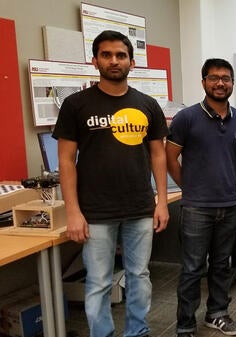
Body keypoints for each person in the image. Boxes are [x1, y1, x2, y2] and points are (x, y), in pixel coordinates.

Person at [53, 30, 169, 337]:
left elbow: (158, 155)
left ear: (131, 61)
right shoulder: (76, 105)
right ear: (95, 61)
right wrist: (73, 212)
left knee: (139, 276)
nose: (114, 61)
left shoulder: (147, 105)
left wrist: (160, 202)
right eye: (106, 55)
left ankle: (137, 332)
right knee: (99, 283)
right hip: (95, 211)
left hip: (140, 207)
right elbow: (65, 161)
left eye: (120, 55)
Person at [166, 58, 236, 337]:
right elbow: (171, 158)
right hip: (196, 208)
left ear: (232, 84)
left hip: (229, 204)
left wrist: (225, 182)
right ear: (203, 82)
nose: (220, 83)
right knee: (191, 268)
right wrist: (189, 187)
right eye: (213, 78)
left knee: (221, 265)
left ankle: (217, 313)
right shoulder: (186, 118)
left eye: (226, 78)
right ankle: (185, 324)